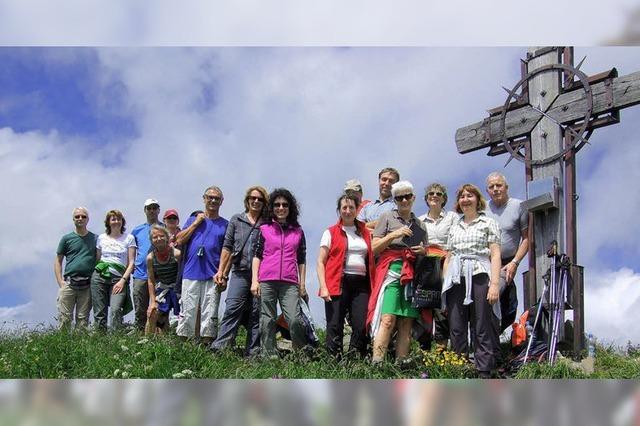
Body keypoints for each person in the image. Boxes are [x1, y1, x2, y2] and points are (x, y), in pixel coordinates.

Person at [442, 184, 501, 378]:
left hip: (480, 275)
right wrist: (445, 283)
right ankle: (459, 368)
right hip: (456, 278)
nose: (465, 199)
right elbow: (449, 256)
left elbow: (495, 253)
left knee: (481, 324)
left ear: (477, 200)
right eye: (462, 197)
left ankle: (484, 370)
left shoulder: (488, 222)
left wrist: (494, 284)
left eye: (470, 196)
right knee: (457, 325)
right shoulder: (454, 225)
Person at [367, 181, 428, 364]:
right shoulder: (386, 217)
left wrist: (423, 252)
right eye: (399, 197)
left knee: (406, 322)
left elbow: (425, 251)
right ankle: (377, 364)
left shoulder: (420, 225)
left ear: (413, 198)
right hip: (390, 271)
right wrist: (393, 235)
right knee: (387, 319)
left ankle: (400, 365)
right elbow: (374, 247)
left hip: (411, 273)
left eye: (407, 196)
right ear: (395, 200)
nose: (404, 200)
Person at [210, 185, 268, 356]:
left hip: (262, 274)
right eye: (253, 198)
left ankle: (253, 353)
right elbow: (227, 246)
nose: (256, 201)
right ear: (247, 200)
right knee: (232, 308)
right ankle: (220, 348)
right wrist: (221, 271)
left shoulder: (267, 224)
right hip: (240, 271)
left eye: (260, 199)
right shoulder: (236, 219)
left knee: (257, 313)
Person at [317, 193, 375, 358]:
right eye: (344, 207)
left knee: (361, 324)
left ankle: (354, 360)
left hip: (361, 284)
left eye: (351, 207)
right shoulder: (330, 232)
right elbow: (320, 261)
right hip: (338, 282)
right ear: (339, 210)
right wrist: (323, 287)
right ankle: (333, 362)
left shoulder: (365, 232)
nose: (348, 211)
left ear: (357, 210)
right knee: (335, 324)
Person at [251, 188, 307, 358]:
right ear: (271, 207)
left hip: (290, 282)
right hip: (267, 279)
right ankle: (269, 357)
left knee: (295, 319)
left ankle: (301, 355)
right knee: (267, 319)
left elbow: (302, 259)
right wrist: (255, 280)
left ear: (290, 208)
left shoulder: (298, 231)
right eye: (277, 205)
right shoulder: (264, 229)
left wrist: (302, 284)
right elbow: (257, 255)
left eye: (285, 205)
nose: (281, 208)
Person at [175, 186, 228, 343]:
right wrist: (196, 223)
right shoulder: (193, 220)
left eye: (216, 198)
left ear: (222, 202)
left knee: (210, 313)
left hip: (213, 275)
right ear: (204, 198)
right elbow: (179, 240)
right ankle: (183, 346)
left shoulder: (226, 225)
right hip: (191, 272)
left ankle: (206, 348)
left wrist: (223, 274)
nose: (213, 200)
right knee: (187, 312)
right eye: (210, 197)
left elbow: (228, 252)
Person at [484, 172, 529, 331]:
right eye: (491, 187)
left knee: (510, 306)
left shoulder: (519, 206)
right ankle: (488, 339)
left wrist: (515, 263)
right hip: (486, 262)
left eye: (499, 185)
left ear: (506, 187)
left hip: (508, 262)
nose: (495, 189)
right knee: (489, 300)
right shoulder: (483, 209)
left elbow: (526, 238)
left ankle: (496, 338)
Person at [417, 183, 459, 348]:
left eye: (438, 194)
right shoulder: (419, 220)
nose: (434, 196)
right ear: (426, 199)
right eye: (431, 194)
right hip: (425, 266)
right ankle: (425, 352)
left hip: (446, 264)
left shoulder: (452, 218)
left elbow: (455, 241)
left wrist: (440, 249)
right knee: (425, 307)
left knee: (444, 309)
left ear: (444, 198)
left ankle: (442, 352)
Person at [91, 209, 136, 331]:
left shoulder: (129, 238)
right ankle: (100, 339)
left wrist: (123, 280)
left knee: (116, 309)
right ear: (108, 222)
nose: (116, 221)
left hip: (118, 278)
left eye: (118, 219)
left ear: (122, 222)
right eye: (113, 219)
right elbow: (98, 258)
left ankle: (116, 340)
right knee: (99, 310)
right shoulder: (101, 238)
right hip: (99, 276)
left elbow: (131, 262)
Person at [54, 207, 97, 330]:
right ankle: (62, 347)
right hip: (68, 284)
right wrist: (60, 282)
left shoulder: (95, 239)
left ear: (88, 219)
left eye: (83, 216)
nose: (80, 219)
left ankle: (80, 348)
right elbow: (58, 261)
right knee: (64, 319)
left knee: (83, 320)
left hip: (87, 285)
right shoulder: (66, 239)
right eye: (77, 216)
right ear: (73, 219)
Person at [131, 198, 163, 332]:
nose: (152, 210)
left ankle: (159, 338)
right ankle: (140, 337)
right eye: (149, 208)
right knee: (140, 308)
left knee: (160, 308)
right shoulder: (137, 230)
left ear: (158, 210)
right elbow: (131, 251)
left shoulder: (164, 227)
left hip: (160, 275)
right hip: (141, 274)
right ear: (145, 210)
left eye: (154, 208)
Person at [145, 224, 181, 335]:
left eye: (161, 236)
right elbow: (151, 280)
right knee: (153, 313)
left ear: (167, 237)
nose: (158, 239)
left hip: (177, 289)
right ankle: (147, 342)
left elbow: (183, 275)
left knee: (183, 315)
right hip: (163, 288)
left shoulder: (176, 254)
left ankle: (184, 343)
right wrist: (152, 302)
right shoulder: (150, 258)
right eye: (155, 237)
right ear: (151, 241)